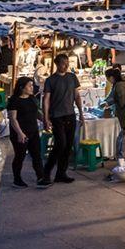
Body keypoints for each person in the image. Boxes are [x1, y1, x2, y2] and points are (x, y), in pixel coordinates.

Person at [41, 54, 83, 186]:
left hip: (70, 114)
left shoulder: (72, 77)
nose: (66, 65)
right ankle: (47, 171)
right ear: (57, 64)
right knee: (60, 144)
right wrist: (46, 118)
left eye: (67, 63)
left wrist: (81, 113)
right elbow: (46, 99)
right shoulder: (50, 80)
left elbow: (77, 96)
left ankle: (61, 173)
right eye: (63, 63)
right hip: (57, 116)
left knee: (68, 145)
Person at [7, 77, 46, 188]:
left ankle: (41, 177)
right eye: (29, 86)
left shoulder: (32, 98)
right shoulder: (14, 100)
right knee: (20, 156)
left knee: (36, 155)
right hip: (20, 133)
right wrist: (20, 133)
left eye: (32, 85)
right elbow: (13, 119)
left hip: (33, 131)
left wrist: (45, 121)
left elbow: (36, 113)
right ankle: (17, 179)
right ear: (21, 88)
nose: (32, 88)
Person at [103, 67, 125, 164]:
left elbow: (122, 101)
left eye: (108, 78)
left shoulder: (119, 85)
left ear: (111, 77)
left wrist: (109, 103)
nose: (108, 81)